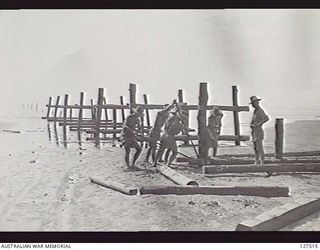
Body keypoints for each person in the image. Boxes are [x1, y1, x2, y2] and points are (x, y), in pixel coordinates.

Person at [145, 100, 177, 164]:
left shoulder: (167, 116)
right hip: (154, 131)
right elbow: (166, 110)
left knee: (158, 146)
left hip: (158, 131)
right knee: (152, 146)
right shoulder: (159, 114)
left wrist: (175, 107)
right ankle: (151, 160)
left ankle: (157, 159)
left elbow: (173, 114)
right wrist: (172, 104)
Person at [249, 96, 269, 165]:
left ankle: (262, 162)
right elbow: (253, 120)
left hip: (259, 131)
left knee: (259, 147)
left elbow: (267, 118)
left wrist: (259, 124)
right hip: (254, 131)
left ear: (257, 103)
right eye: (252, 104)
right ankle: (256, 161)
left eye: (254, 103)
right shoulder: (255, 111)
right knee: (255, 147)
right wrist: (252, 124)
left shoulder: (260, 110)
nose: (253, 105)